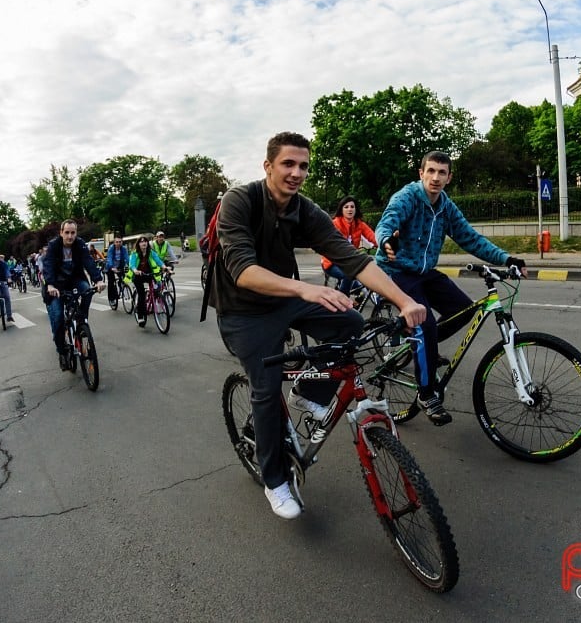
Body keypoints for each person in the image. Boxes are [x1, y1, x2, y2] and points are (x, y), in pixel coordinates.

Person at [211, 131, 426, 520]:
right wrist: (305, 290)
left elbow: (353, 260)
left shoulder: (303, 209)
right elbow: (242, 270)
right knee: (265, 387)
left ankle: (309, 390)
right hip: (242, 310)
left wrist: (405, 301)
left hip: (285, 298)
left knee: (350, 323)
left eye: (303, 166)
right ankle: (274, 481)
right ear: (268, 166)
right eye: (288, 164)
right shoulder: (239, 201)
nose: (296, 173)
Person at [375, 150, 527, 427]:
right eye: (430, 171)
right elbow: (387, 223)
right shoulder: (407, 197)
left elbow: (470, 238)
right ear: (421, 173)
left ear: (449, 177)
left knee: (463, 310)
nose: (435, 177)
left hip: (423, 273)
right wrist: (387, 240)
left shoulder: (445, 207)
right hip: (395, 271)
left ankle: (422, 346)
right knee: (425, 323)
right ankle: (426, 393)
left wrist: (506, 258)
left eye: (441, 172)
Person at [43, 219, 105, 366]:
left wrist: (98, 280)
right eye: (67, 233)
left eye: (73, 233)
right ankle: (62, 351)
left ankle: (82, 320)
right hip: (56, 285)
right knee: (58, 317)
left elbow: (88, 261)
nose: (70, 236)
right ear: (61, 233)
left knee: (87, 290)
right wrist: (50, 285)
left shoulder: (80, 244)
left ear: (76, 233)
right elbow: (48, 265)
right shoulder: (53, 246)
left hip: (75, 280)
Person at [321, 196, 377, 295]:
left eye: (352, 206)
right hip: (331, 263)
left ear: (355, 209)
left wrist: (384, 244)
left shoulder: (359, 224)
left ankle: (358, 297)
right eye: (346, 207)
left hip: (349, 262)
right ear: (341, 210)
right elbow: (331, 244)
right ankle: (343, 303)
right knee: (349, 275)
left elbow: (372, 236)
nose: (349, 209)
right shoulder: (335, 224)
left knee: (360, 282)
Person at [125, 236, 165, 328]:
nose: (144, 243)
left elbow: (158, 261)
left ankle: (154, 303)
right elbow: (132, 264)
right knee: (141, 295)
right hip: (138, 276)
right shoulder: (134, 254)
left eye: (145, 241)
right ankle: (140, 316)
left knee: (157, 287)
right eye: (141, 242)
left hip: (148, 274)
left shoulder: (151, 252)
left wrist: (164, 267)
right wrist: (135, 270)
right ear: (138, 244)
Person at [104, 236, 129, 307]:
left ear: (122, 242)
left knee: (123, 280)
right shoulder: (111, 248)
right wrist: (112, 267)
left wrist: (131, 266)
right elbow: (109, 258)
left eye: (120, 242)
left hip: (120, 266)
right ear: (114, 243)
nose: (118, 243)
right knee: (111, 282)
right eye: (117, 242)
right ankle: (111, 299)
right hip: (110, 267)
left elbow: (127, 258)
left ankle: (122, 288)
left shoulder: (123, 249)